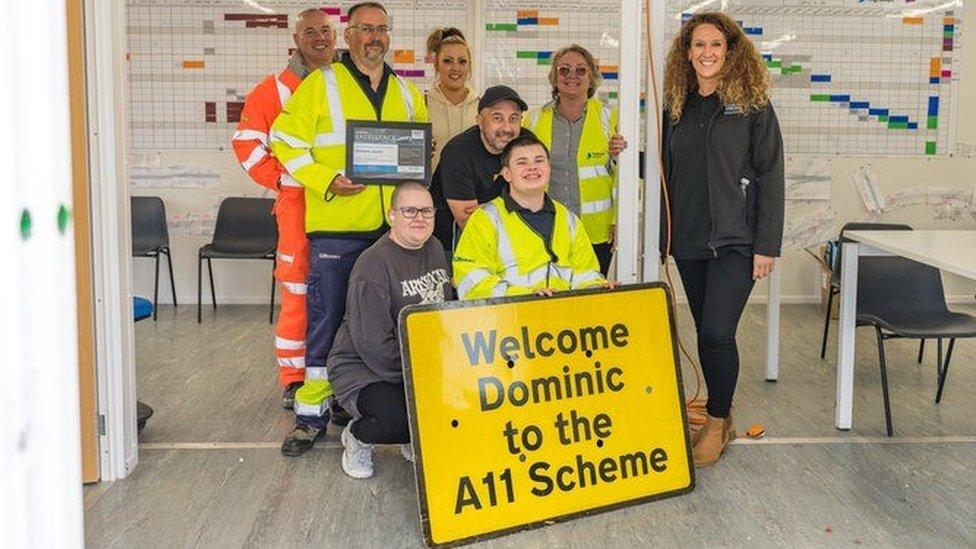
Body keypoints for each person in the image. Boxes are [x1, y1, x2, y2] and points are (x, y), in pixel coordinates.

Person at [270, 1, 428, 456]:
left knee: (384, 326)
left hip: (391, 232)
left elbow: (416, 153)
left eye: (382, 29)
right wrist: (326, 180)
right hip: (338, 226)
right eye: (365, 29)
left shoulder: (404, 92)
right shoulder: (321, 84)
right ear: (349, 34)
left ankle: (358, 403)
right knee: (326, 320)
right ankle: (310, 415)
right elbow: (284, 141)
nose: (374, 37)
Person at [661, 12, 784, 467]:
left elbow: (771, 176)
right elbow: (664, 172)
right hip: (689, 239)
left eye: (715, 45)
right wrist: (663, 239)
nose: (707, 53)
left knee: (717, 331)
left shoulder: (752, 106)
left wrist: (767, 244)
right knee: (706, 332)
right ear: (686, 52)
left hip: (737, 241)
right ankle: (723, 416)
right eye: (698, 45)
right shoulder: (677, 105)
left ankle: (716, 420)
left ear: (730, 51)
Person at [231, 8, 336, 409]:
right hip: (297, 206)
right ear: (296, 38)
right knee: (298, 291)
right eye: (311, 31)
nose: (320, 38)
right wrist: (284, 179)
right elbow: (246, 144)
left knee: (343, 290)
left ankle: (338, 374)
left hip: (346, 202)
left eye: (325, 30)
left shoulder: (349, 83)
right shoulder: (273, 90)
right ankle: (294, 377)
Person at [328, 183, 451, 478]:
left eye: (426, 210)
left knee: (454, 404)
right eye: (409, 210)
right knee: (404, 418)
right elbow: (373, 344)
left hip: (414, 359)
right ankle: (358, 437)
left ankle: (412, 436)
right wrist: (419, 379)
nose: (419, 217)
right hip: (364, 366)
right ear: (391, 215)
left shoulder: (434, 248)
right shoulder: (373, 265)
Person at [453, 134, 612, 299]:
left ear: (549, 168)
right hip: (510, 319)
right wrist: (526, 296)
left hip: (563, 319)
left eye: (539, 161)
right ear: (507, 174)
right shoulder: (485, 218)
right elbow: (470, 281)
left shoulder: (568, 218)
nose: (532, 167)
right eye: (522, 162)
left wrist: (598, 287)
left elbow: (585, 272)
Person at [525, 44, 628, 275]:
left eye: (581, 70)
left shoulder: (610, 118)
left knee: (589, 299)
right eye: (564, 70)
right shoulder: (532, 120)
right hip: (544, 228)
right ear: (554, 77)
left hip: (596, 232)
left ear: (591, 77)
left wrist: (619, 220)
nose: (572, 76)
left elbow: (624, 176)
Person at [429, 85, 533, 254]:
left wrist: (488, 209)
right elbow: (469, 221)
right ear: (479, 121)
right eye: (497, 118)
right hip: (452, 244)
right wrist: (514, 206)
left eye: (514, 118)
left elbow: (535, 203)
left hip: (512, 242)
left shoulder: (526, 144)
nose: (507, 128)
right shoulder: (458, 152)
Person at [425, 27, 478, 171]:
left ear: (469, 66)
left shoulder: (482, 107)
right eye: (448, 61)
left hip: (472, 192)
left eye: (462, 62)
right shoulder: (421, 104)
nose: (455, 68)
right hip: (430, 191)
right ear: (436, 65)